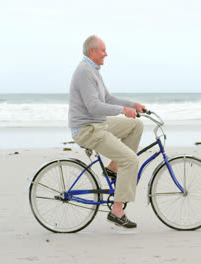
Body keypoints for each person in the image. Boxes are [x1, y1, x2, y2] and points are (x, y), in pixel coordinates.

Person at [68, 35, 145, 229]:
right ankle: (117, 211)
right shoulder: (84, 71)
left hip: (98, 123)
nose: (106, 54)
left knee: (136, 125)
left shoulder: (93, 70)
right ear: (92, 51)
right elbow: (94, 106)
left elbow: (108, 99)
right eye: (103, 50)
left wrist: (132, 105)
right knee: (131, 160)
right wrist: (122, 111)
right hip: (88, 129)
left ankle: (113, 168)